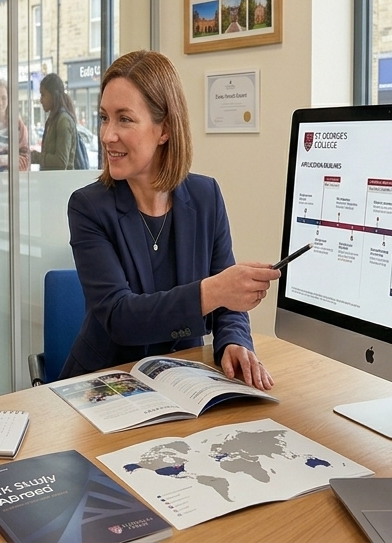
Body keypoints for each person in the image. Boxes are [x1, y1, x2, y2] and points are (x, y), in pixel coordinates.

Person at [61, 51, 277, 390]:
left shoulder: (206, 196)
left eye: (124, 119)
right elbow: (121, 318)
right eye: (104, 117)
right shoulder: (88, 207)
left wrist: (234, 341)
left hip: (183, 380)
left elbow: (228, 305)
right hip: (106, 383)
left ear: (164, 130)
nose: (106, 135)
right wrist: (215, 289)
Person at [36, 72, 79, 170]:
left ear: (53, 95)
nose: (41, 100)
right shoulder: (52, 120)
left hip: (62, 183)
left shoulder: (63, 121)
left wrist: (38, 157)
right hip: (52, 182)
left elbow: (61, 162)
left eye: (43, 95)